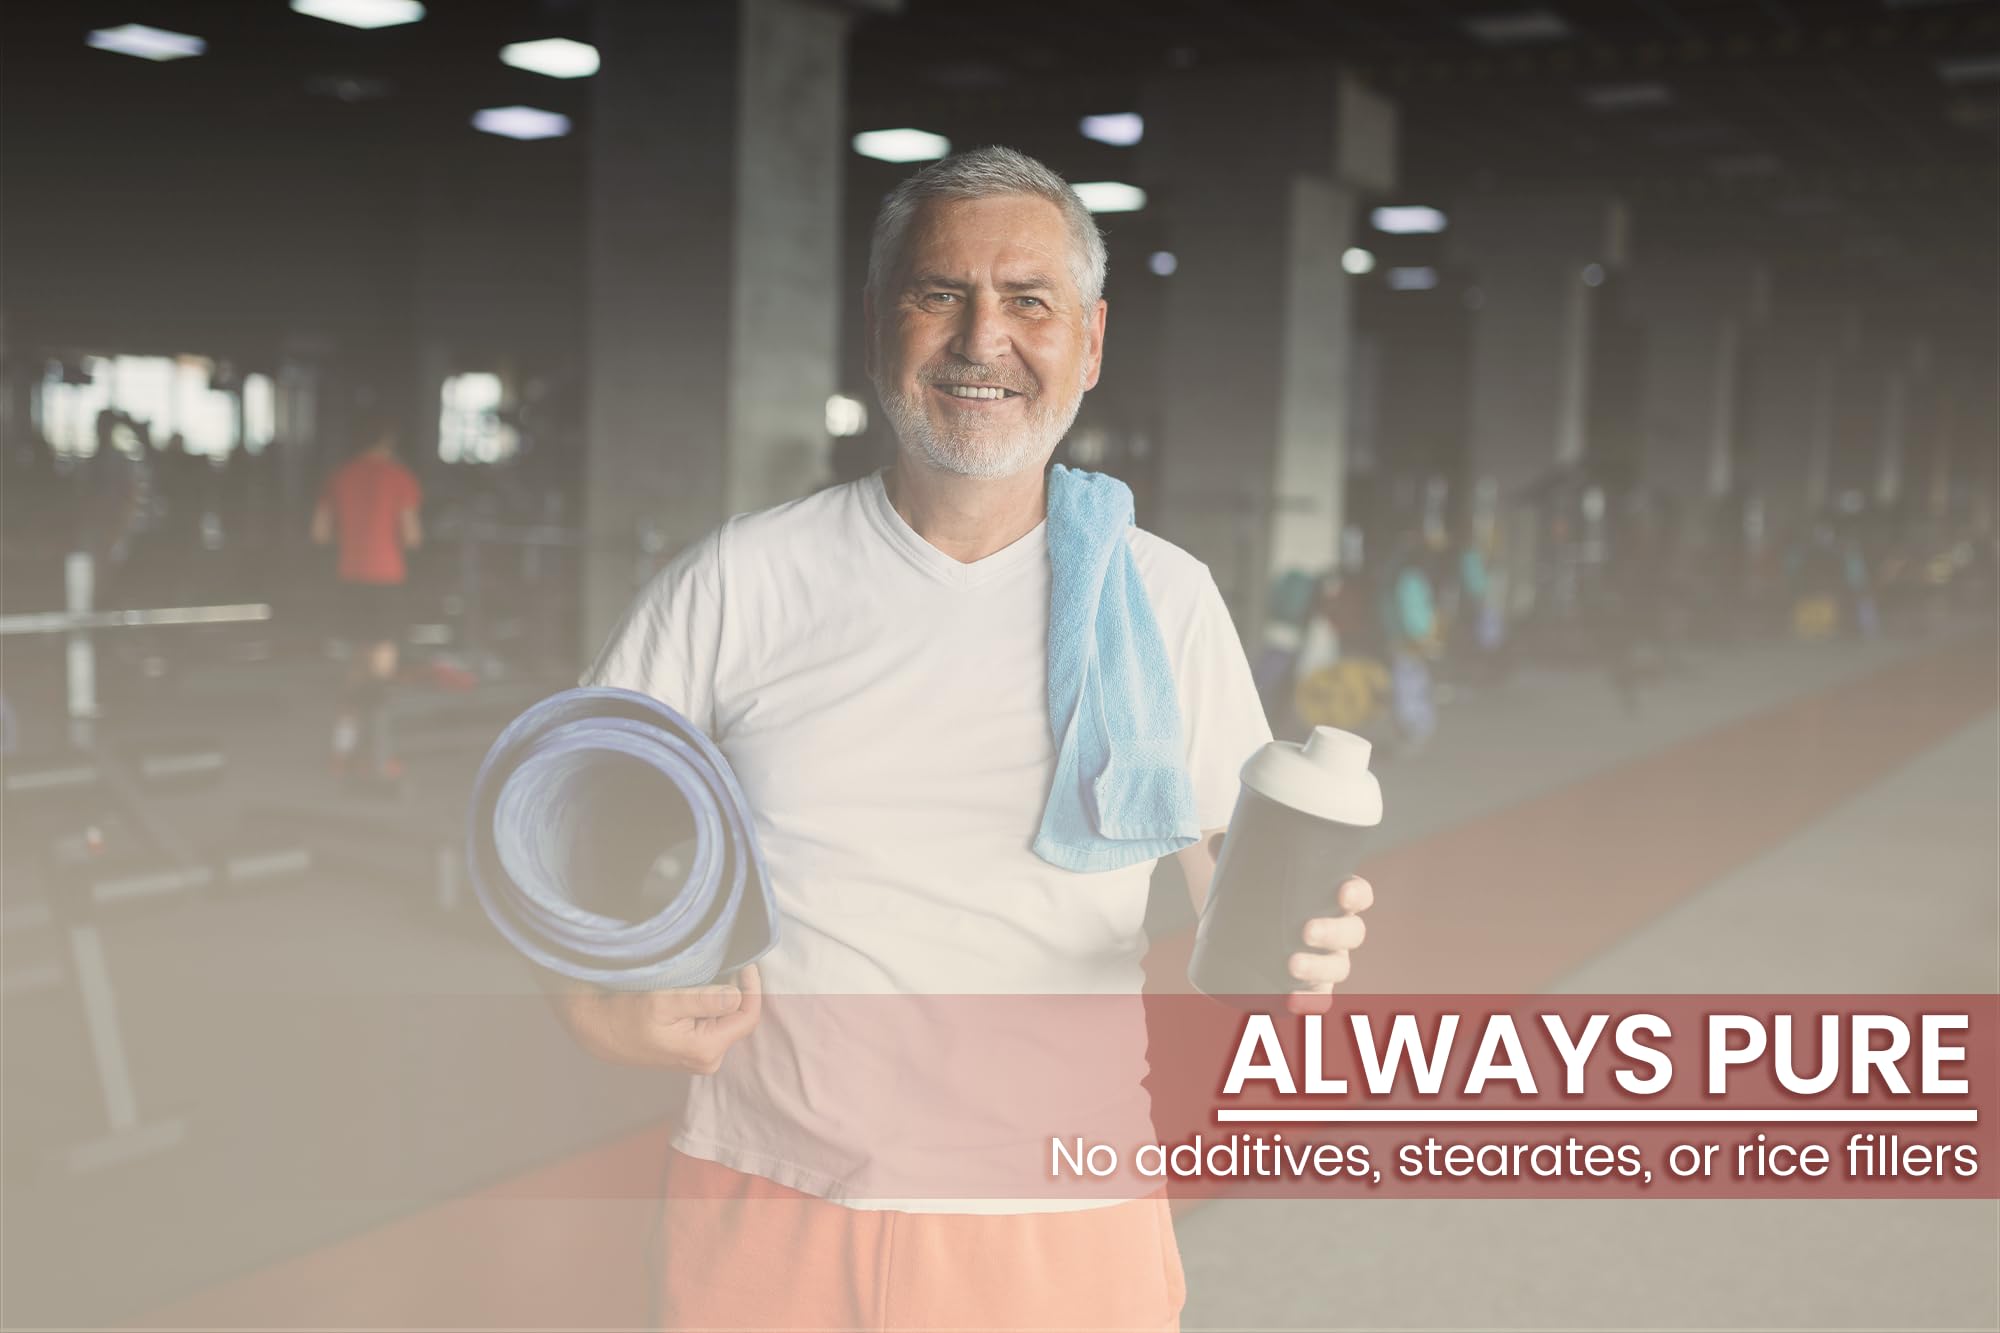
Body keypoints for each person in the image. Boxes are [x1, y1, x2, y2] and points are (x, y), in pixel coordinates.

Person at [563, 148, 1377, 1330]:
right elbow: (559, 807)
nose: (980, 338)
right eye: (939, 293)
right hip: (767, 1195)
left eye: (1028, 302)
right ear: (877, 326)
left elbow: (1230, 892)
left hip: (1059, 1214)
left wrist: (1301, 958)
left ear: (1089, 345)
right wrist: (584, 1003)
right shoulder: (744, 577)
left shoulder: (1162, 600)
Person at [311, 410, 422, 784]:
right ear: (387, 440)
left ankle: (341, 753)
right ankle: (378, 758)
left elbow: (320, 533)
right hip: (385, 582)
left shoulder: (339, 477)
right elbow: (411, 537)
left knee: (356, 671)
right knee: (380, 675)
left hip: (350, 581)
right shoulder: (399, 478)